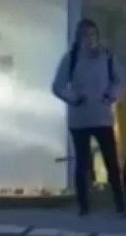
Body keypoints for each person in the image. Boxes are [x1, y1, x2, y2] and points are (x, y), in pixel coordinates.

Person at [51, 18, 125, 217]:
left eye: (92, 34)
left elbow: (120, 80)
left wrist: (111, 95)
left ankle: (119, 201)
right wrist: (74, 99)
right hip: (80, 119)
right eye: (85, 34)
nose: (89, 38)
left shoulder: (107, 56)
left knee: (111, 161)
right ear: (78, 37)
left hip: (102, 117)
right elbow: (58, 86)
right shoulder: (71, 58)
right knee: (83, 163)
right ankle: (84, 204)